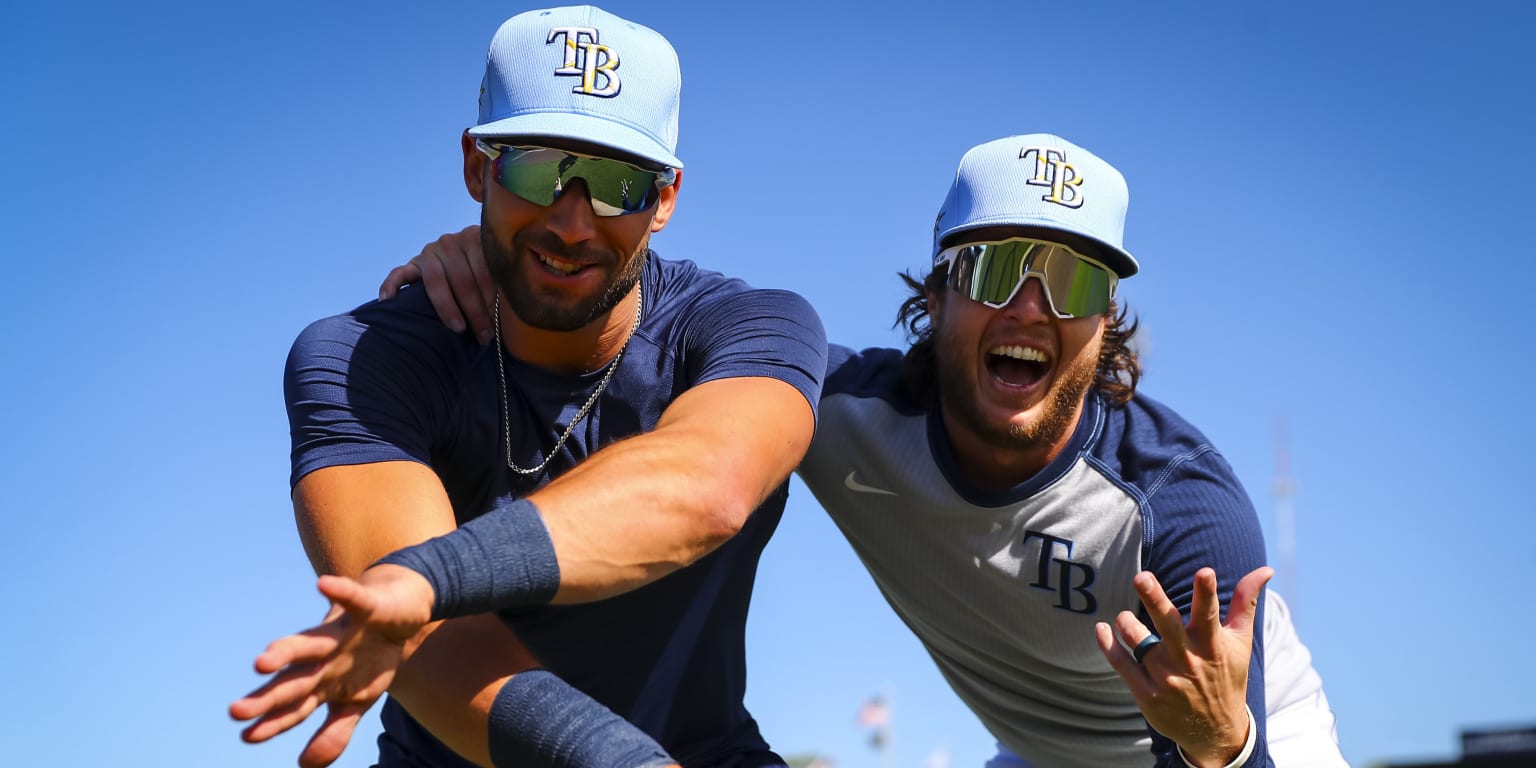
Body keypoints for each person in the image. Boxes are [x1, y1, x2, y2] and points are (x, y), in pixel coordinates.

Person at [386, 135, 1347, 767]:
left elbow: (1228, 748)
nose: (1032, 308)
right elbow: (646, 331)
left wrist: (1222, 739)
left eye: (1075, 282)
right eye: (997, 266)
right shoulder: (841, 413)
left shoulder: (1177, 506)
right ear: (934, 295)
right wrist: (490, 260)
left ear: (1107, 324)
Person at [229, 6, 826, 768]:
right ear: (478, 168)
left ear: (666, 198)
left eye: (617, 184)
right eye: (538, 168)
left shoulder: (749, 327)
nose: (573, 222)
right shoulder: (364, 358)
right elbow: (417, 635)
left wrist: (430, 576)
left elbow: (705, 485)